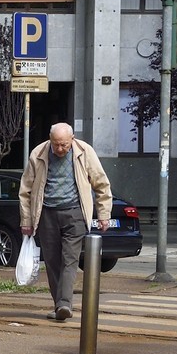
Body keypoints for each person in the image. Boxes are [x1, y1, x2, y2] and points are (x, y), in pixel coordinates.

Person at [19, 122, 112, 323]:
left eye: (64, 145)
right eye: (56, 145)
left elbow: (101, 184)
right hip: (46, 215)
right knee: (52, 262)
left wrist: (104, 214)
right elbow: (25, 190)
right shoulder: (38, 153)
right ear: (50, 140)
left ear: (72, 140)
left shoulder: (85, 152)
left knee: (69, 260)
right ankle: (58, 305)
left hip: (74, 213)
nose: (60, 149)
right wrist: (26, 220)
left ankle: (64, 304)